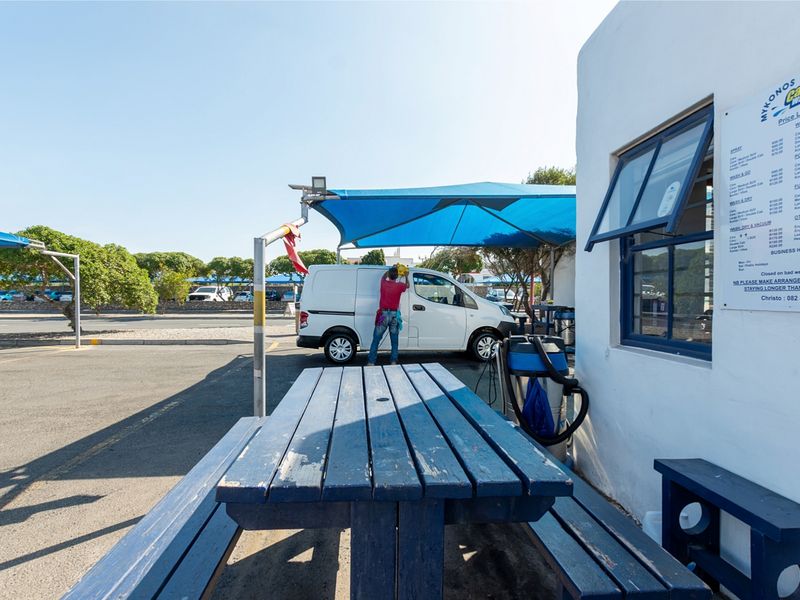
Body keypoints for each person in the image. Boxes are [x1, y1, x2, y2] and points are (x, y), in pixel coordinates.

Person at [367, 265, 409, 365]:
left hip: (383, 315)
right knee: (394, 341)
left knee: (376, 340)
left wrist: (390, 269)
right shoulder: (400, 286)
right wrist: (406, 276)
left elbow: (383, 277)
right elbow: (408, 286)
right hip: (394, 315)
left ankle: (371, 362)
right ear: (397, 276)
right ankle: (393, 361)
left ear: (389, 275)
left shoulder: (384, 283)